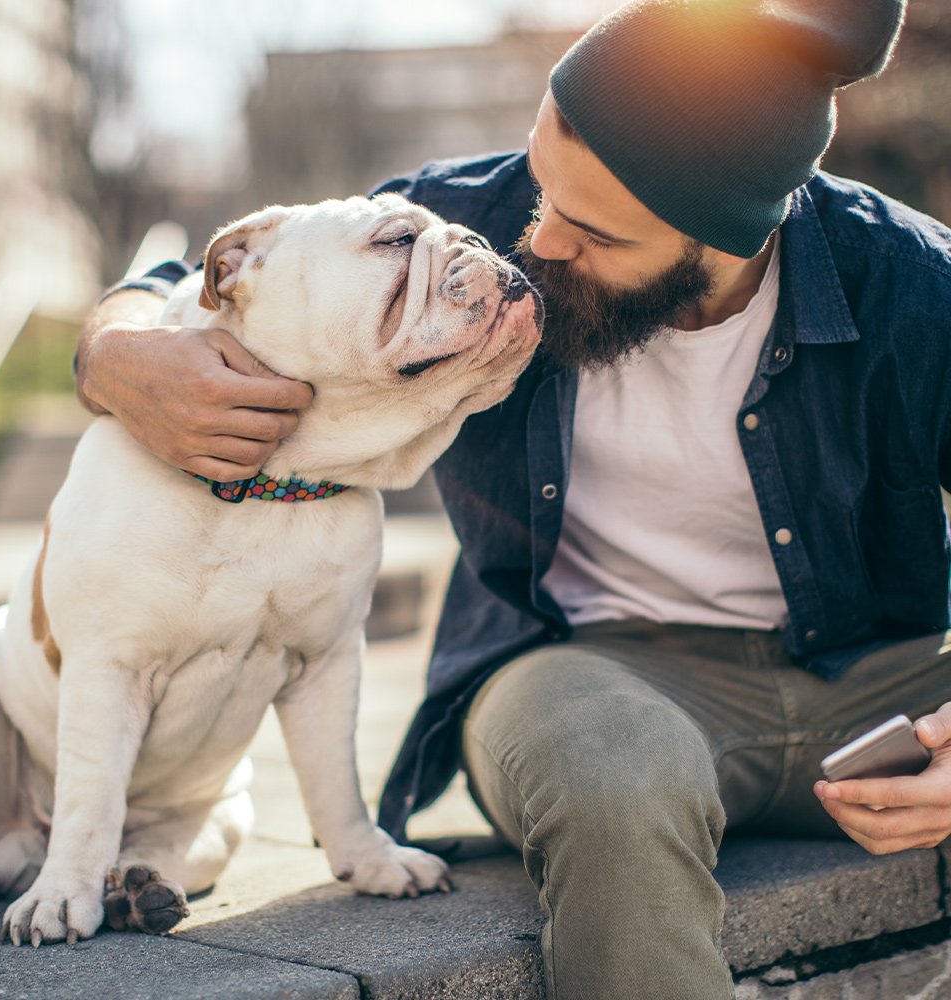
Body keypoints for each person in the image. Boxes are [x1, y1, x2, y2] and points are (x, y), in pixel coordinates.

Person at [75, 0, 951, 995]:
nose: (540, 242)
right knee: (614, 778)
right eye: (543, 191)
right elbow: (182, 280)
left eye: (594, 230)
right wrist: (116, 349)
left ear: (725, 237)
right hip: (594, 670)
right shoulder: (451, 229)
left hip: (878, 682)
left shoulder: (911, 283)